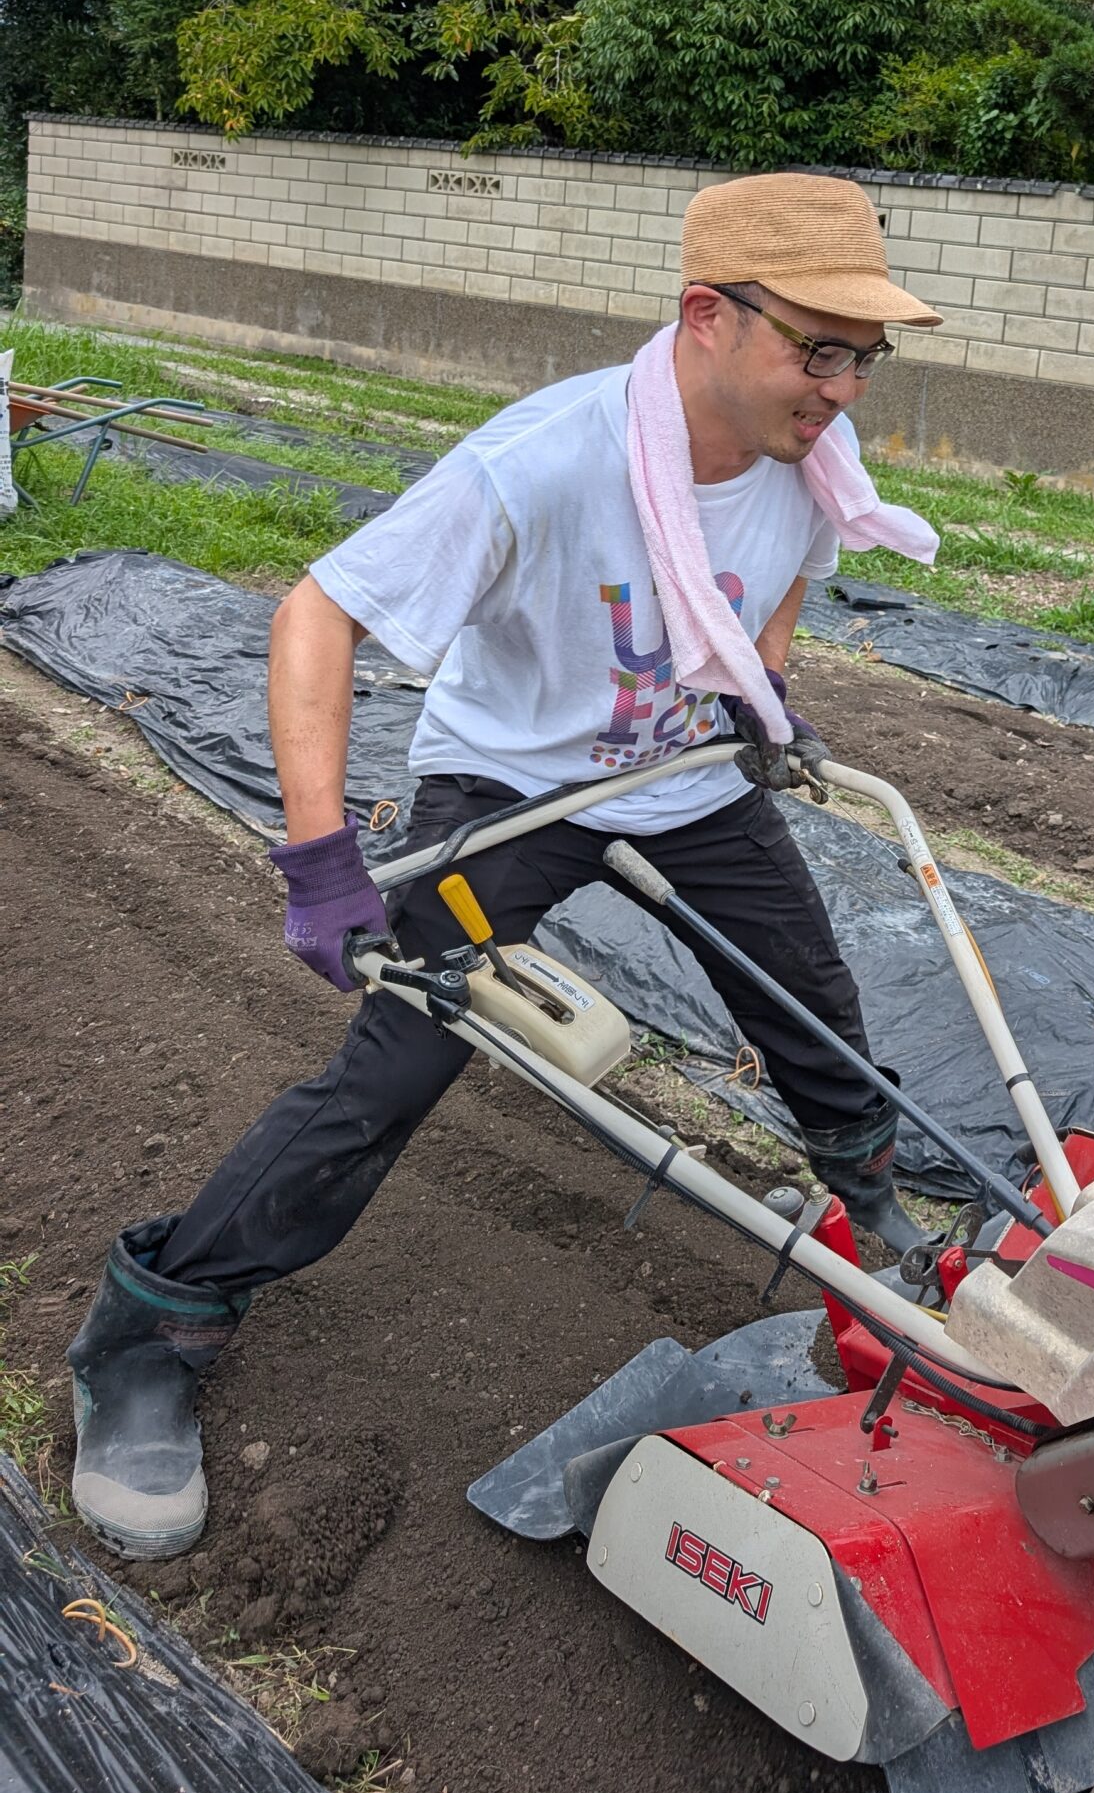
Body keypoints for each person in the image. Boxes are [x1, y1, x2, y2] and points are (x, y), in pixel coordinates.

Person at [66, 171, 943, 1558]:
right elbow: (317, 614)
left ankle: (880, 1213)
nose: (843, 391)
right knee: (396, 1070)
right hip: (514, 791)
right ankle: (148, 1332)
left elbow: (781, 573)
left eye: (864, 359)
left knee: (815, 1011)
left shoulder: (807, 458)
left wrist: (762, 692)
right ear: (707, 316)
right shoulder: (544, 460)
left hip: (685, 777)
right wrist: (320, 857)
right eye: (817, 351)